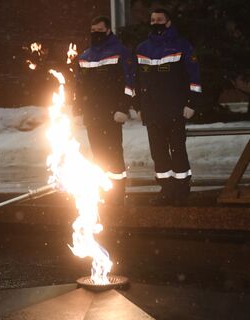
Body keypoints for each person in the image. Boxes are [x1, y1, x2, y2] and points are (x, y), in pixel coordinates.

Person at [135, 8, 201, 206]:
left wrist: (192, 103)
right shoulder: (142, 48)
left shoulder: (183, 46)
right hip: (152, 111)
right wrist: (138, 106)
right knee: (158, 152)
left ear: (169, 22)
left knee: (178, 150)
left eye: (160, 19)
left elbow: (194, 77)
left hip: (175, 109)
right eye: (153, 19)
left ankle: (181, 190)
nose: (155, 23)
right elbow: (137, 80)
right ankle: (166, 189)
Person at [73, 16, 135, 205]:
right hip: (93, 114)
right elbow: (79, 85)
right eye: (93, 30)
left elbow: (129, 82)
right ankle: (102, 190)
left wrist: (123, 107)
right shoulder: (85, 56)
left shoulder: (120, 52)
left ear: (108, 30)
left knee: (113, 152)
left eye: (100, 30)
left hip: (112, 113)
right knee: (98, 154)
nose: (96, 33)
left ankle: (116, 194)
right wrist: (78, 108)